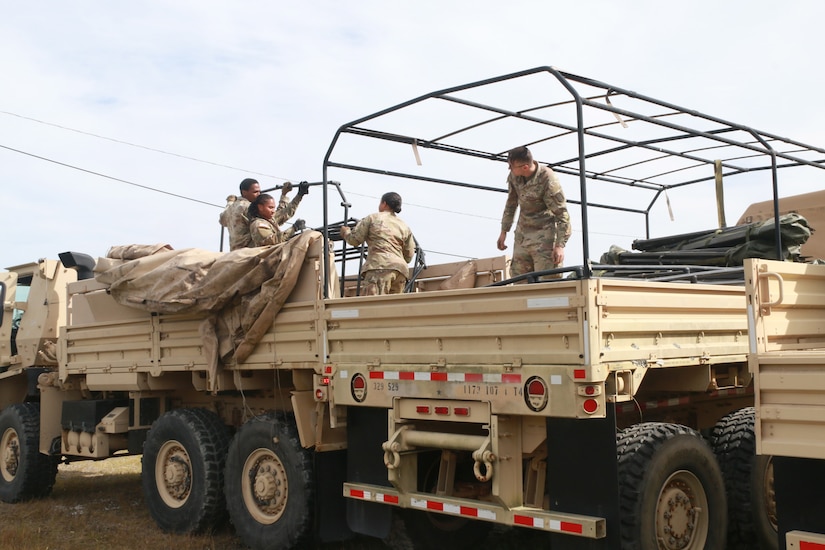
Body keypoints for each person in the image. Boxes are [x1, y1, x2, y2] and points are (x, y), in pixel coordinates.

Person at [497, 146, 571, 279]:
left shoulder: (547, 178)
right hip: (523, 236)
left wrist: (560, 245)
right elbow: (511, 204)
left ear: (525, 167)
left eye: (512, 166)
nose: (509, 169)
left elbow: (562, 214)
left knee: (547, 282)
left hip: (544, 238)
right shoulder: (515, 177)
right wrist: (504, 231)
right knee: (519, 280)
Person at [340, 192, 415, 295]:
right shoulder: (404, 225)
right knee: (394, 309)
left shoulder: (373, 218)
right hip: (400, 271)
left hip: (379, 268)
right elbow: (409, 256)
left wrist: (346, 232)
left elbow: (355, 240)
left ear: (384, 203)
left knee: (372, 307)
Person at [248, 181, 309, 246]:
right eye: (270, 207)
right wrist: (294, 228)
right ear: (260, 207)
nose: (273, 211)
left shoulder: (269, 219)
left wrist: (299, 195)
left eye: (273, 208)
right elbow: (274, 240)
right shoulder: (258, 224)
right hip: (268, 255)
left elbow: (285, 213)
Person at [219, 177, 261, 251]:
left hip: (235, 253)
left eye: (259, 192)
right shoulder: (248, 207)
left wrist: (230, 202)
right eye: (255, 192)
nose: (259, 194)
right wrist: (284, 198)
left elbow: (222, 219)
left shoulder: (232, 207)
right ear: (244, 192)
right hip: (250, 252)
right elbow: (272, 222)